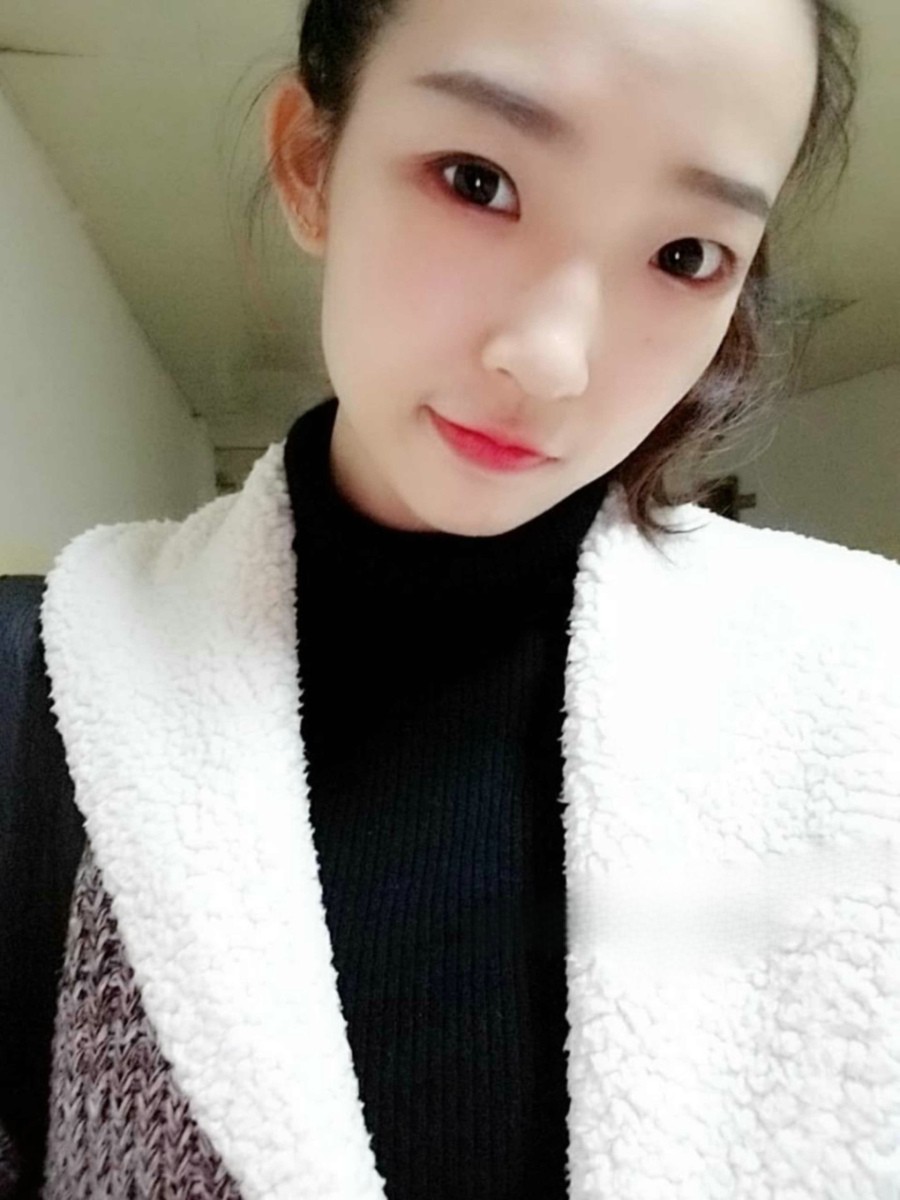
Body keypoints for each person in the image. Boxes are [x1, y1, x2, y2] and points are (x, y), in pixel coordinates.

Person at [1, 0, 898, 1196]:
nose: (553, 358)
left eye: (686, 255)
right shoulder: (41, 697)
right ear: (311, 163)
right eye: (478, 181)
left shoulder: (869, 684)